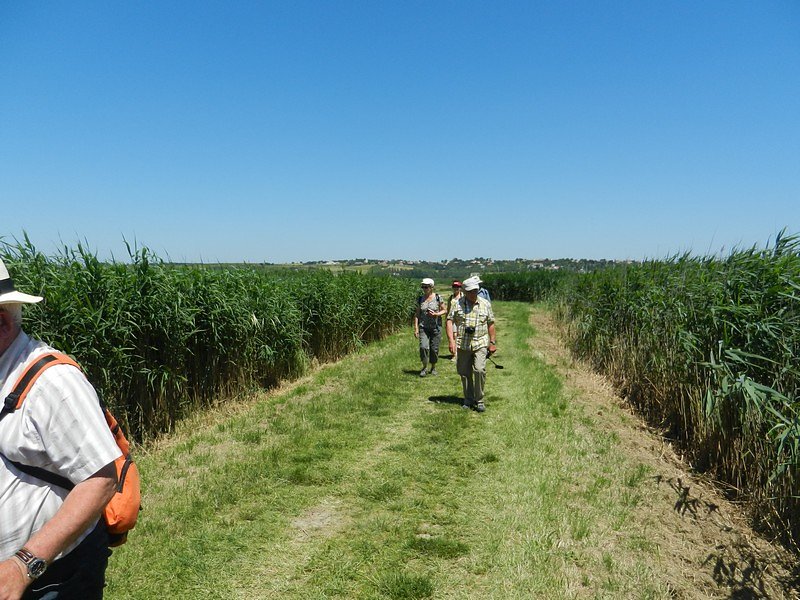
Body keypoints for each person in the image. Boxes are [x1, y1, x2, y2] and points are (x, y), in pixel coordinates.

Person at [0, 259, 121, 600]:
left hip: (49, 579)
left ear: (2, 322)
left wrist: (23, 565)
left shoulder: (54, 382)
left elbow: (101, 480)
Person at [446, 276, 497, 412]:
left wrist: (492, 342)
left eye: (475, 290)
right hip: (463, 344)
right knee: (464, 373)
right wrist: (451, 340)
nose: (473, 293)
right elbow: (449, 320)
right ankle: (468, 399)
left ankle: (479, 400)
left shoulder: (485, 304)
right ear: (465, 291)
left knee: (479, 370)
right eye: (470, 291)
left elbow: (491, 323)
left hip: (481, 342)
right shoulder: (457, 304)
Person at [413, 278, 446, 377]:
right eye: (423, 287)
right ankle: (424, 367)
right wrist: (416, 328)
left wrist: (436, 314)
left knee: (434, 349)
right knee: (423, 347)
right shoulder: (420, 299)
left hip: (436, 327)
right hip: (423, 327)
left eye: (426, 287)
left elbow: (444, 310)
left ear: (431, 287)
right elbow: (417, 314)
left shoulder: (438, 298)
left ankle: (433, 367)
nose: (424, 289)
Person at [446, 281, 463, 361]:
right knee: (453, 335)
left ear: (460, 288)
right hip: (452, 318)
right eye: (454, 287)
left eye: (457, 287)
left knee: (458, 335)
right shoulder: (451, 298)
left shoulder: (463, 297)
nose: (456, 288)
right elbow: (448, 308)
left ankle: (458, 352)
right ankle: (454, 353)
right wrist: (446, 319)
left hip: (460, 318)